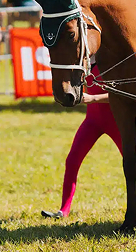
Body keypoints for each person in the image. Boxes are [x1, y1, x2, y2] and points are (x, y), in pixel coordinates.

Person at [42, 63, 125, 219]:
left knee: (133, 161)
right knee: (72, 160)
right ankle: (63, 210)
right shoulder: (85, 63)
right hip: (92, 122)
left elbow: (123, 94)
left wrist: (93, 98)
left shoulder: (112, 62)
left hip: (115, 122)